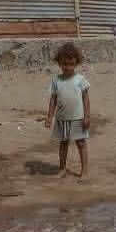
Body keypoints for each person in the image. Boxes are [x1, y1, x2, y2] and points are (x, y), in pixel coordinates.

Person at [44, 42, 91, 179]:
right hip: (62, 118)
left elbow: (86, 99)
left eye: (71, 64)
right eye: (65, 64)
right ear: (59, 63)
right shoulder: (56, 80)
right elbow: (53, 100)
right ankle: (62, 169)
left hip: (78, 118)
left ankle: (84, 171)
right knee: (63, 144)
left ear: (76, 63)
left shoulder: (80, 80)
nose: (68, 67)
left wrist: (87, 116)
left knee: (81, 143)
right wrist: (49, 117)